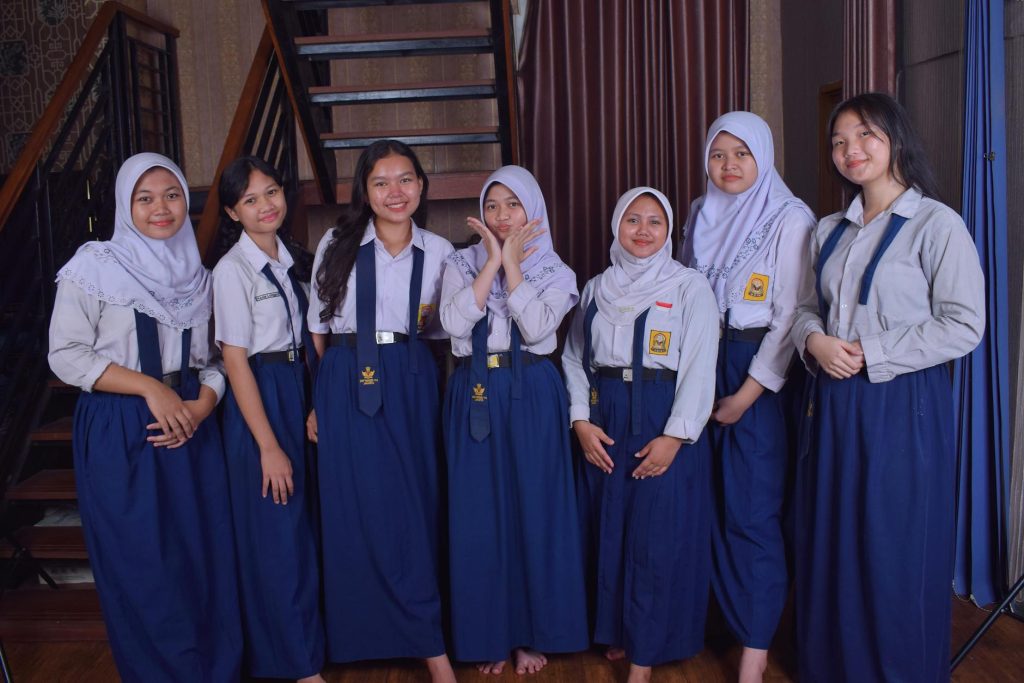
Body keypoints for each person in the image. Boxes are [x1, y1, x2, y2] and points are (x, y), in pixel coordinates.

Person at [789, 92, 985, 682]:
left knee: (893, 549)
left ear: (895, 139)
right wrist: (815, 342)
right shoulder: (828, 230)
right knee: (833, 542)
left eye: (866, 135)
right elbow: (803, 310)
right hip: (829, 401)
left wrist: (870, 352)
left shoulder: (936, 224)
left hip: (904, 404)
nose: (851, 151)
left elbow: (965, 324)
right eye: (839, 141)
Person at [48, 152, 241, 681]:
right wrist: (150, 388)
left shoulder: (199, 278)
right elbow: (66, 355)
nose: (161, 208)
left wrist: (204, 402)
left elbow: (216, 359)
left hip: (192, 424)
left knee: (201, 553)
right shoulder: (94, 266)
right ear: (124, 204)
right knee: (142, 562)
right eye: (145, 197)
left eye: (172, 195)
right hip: (120, 425)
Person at [305, 139, 456, 683]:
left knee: (412, 506)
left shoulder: (440, 252)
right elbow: (318, 329)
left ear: (421, 185)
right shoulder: (336, 242)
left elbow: (448, 329)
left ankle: (428, 641)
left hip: (412, 373)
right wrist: (317, 401)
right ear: (364, 192)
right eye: (381, 182)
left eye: (406, 180)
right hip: (344, 376)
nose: (396, 192)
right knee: (351, 506)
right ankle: (357, 636)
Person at [679, 111, 815, 682]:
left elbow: (790, 317)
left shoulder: (791, 217)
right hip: (698, 359)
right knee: (701, 501)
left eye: (742, 153)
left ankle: (753, 655)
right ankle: (711, 622)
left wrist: (746, 394)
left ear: (764, 156)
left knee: (752, 510)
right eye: (719, 153)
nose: (729, 165)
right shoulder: (696, 212)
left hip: (755, 367)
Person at [563, 187, 719, 683]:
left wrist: (675, 436)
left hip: (662, 409)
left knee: (656, 534)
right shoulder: (594, 289)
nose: (644, 231)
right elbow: (572, 357)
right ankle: (617, 630)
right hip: (604, 410)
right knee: (609, 524)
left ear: (670, 230)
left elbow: (699, 367)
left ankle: (645, 657)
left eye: (655, 221)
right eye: (633, 220)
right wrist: (580, 420)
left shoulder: (689, 287)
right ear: (617, 226)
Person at [440, 165, 588, 675]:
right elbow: (455, 323)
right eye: (493, 206)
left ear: (534, 211)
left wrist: (514, 266)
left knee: (535, 508)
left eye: (514, 205)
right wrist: (491, 264)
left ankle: (530, 633)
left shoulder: (556, 270)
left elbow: (540, 326)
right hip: (475, 388)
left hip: (532, 388)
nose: (503, 216)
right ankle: (489, 634)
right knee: (479, 513)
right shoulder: (458, 261)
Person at [212, 156, 325, 682]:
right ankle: (296, 667)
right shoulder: (231, 272)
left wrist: (315, 400)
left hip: (297, 385)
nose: (266, 206)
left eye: (272, 192)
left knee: (306, 529)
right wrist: (269, 445)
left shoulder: (292, 259)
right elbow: (235, 360)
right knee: (276, 535)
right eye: (251, 199)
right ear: (233, 212)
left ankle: (312, 649)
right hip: (259, 397)